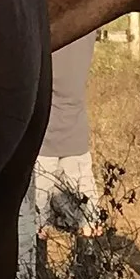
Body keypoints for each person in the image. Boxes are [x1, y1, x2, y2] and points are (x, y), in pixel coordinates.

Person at [34, 32, 101, 235]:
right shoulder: (87, 32)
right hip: (76, 135)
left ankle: (38, 266)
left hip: (44, 140)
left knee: (38, 218)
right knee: (89, 217)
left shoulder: (45, 33)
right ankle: (88, 264)